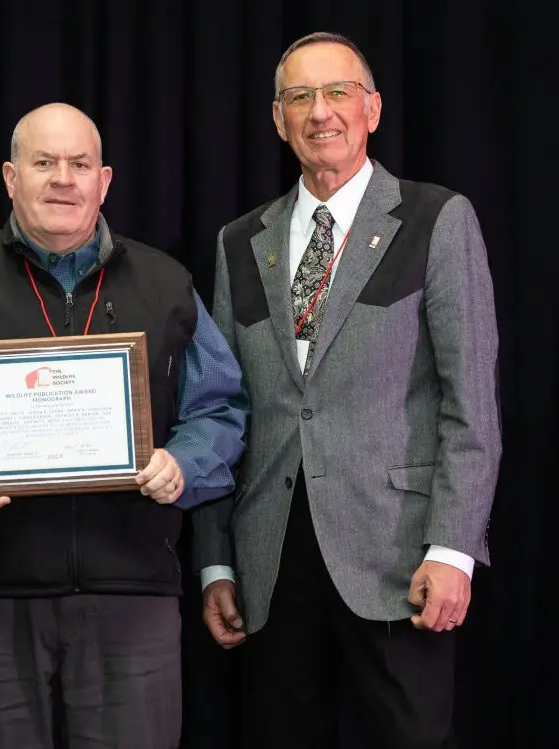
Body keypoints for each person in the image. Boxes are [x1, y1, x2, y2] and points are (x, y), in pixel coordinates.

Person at [0, 102, 247, 749]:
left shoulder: (166, 282)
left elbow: (223, 408)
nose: (63, 178)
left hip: (132, 592)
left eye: (79, 163)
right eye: (44, 162)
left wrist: (185, 462)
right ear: (11, 177)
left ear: (105, 180)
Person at [192, 32, 502, 748]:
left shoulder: (436, 219)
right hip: (271, 559)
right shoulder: (240, 241)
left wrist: (453, 547)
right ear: (277, 118)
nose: (319, 111)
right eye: (300, 96)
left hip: (399, 558)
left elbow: (470, 405)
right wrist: (215, 558)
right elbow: (219, 408)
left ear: (373, 109)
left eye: (337, 93)